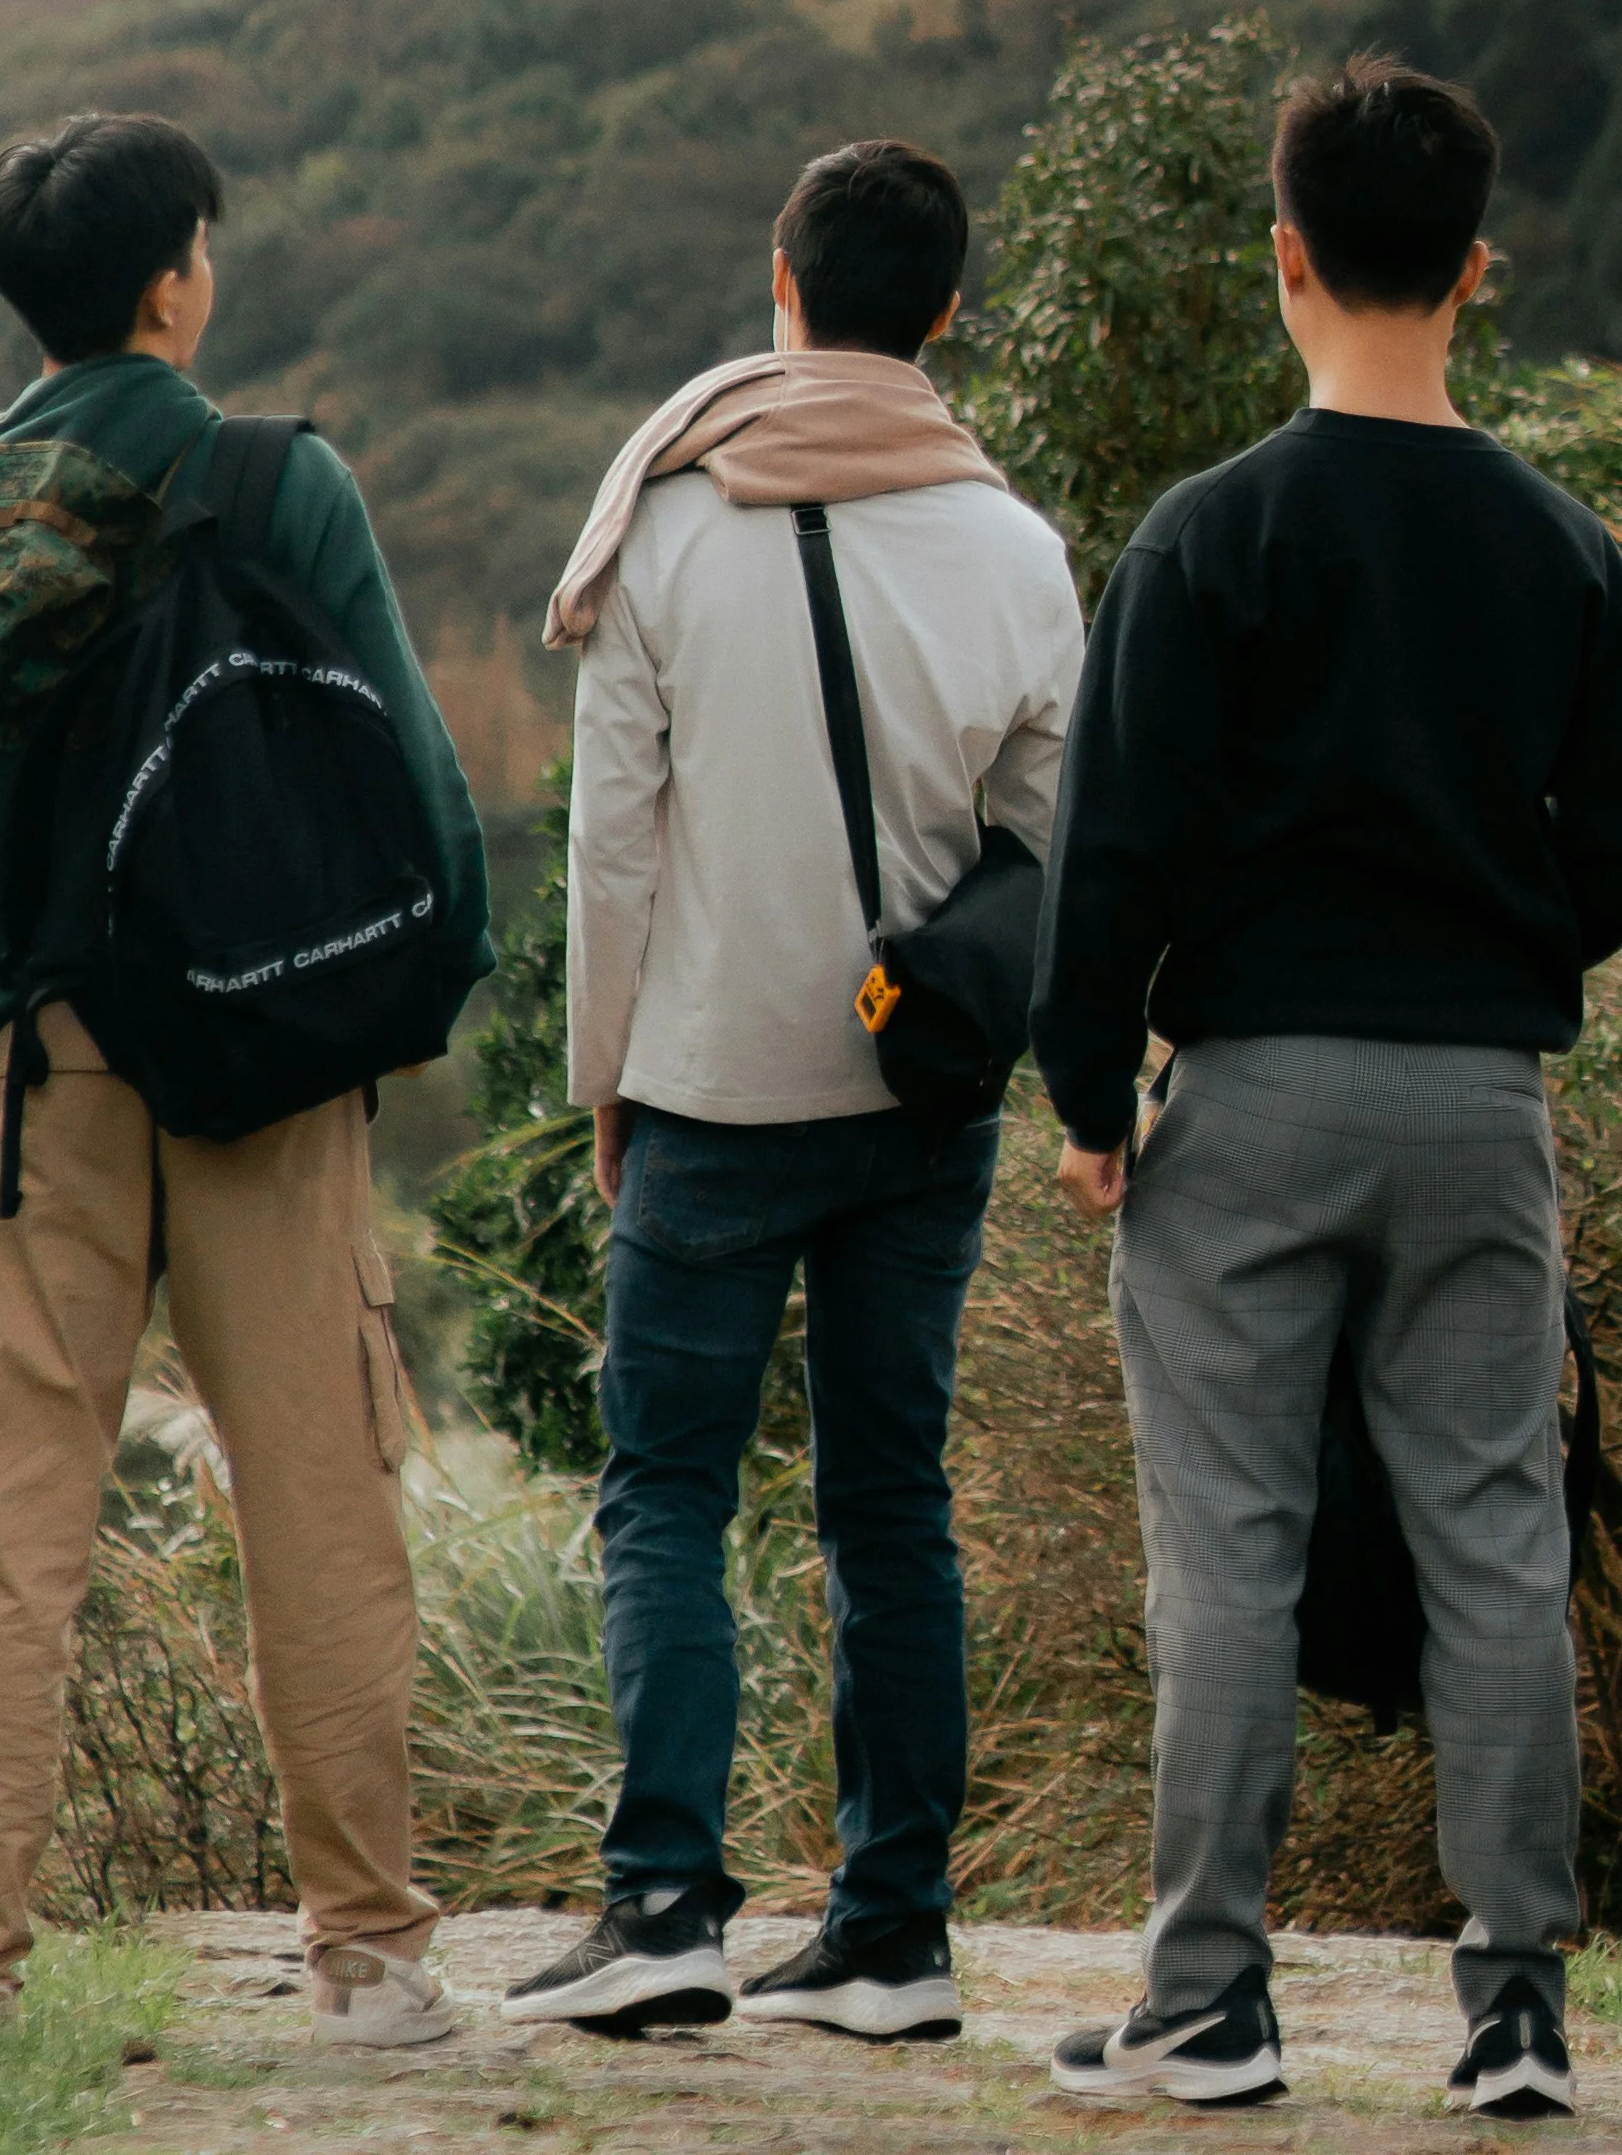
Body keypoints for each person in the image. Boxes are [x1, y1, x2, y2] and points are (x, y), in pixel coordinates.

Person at [1032, 62, 1622, 2124]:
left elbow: (1108, 851)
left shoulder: (1212, 531)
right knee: (1497, 1541)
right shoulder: (1558, 543)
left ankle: (1211, 2002)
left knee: (1232, 1545)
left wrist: (1086, 1086)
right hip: (1480, 1094)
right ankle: (1515, 2014)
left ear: (1287, 256)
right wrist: (1510, 945)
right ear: (1477, 270)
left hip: (1252, 1086)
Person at [0, 109, 491, 2082]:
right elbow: (423, 805)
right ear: (177, 273)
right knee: (321, 1498)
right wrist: (381, 1007)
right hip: (268, 1068)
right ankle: (368, 1963)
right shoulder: (281, 479)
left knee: (5, 1531)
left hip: (35, 1087)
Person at [511, 137, 1083, 2050]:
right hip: (917, 1100)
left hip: (708, 1092)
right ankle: (896, 1935)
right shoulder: (1019, 552)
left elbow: (612, 849)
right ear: (943, 313)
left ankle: (664, 1904)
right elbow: (1040, 847)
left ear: (783, 283)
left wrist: (607, 1077)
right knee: (889, 1502)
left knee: (667, 1489)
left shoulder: (668, 528)